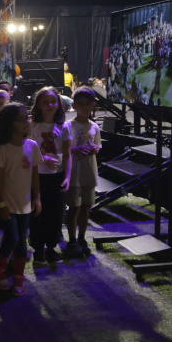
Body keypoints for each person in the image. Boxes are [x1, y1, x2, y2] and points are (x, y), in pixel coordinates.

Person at [0, 103, 41, 295]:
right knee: (13, 238)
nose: (27, 121)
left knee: (21, 243)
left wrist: (37, 198)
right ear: (9, 123)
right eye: (21, 119)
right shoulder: (1, 150)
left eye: (27, 117)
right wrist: (1, 204)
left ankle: (18, 276)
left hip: (25, 204)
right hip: (7, 204)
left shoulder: (32, 146)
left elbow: (34, 176)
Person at [28, 86, 71, 264]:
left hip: (57, 176)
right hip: (37, 176)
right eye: (45, 102)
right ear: (38, 105)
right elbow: (26, 150)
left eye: (53, 102)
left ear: (59, 104)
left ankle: (51, 247)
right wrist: (42, 159)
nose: (49, 105)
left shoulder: (63, 126)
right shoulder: (32, 125)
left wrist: (67, 177)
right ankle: (38, 249)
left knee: (56, 212)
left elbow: (67, 155)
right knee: (37, 213)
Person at [64, 86, 102, 257]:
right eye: (81, 104)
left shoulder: (94, 126)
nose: (85, 107)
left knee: (86, 207)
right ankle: (72, 239)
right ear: (74, 105)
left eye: (88, 103)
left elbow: (98, 144)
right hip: (74, 173)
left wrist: (96, 148)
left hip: (89, 173)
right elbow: (64, 150)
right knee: (74, 207)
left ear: (93, 105)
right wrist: (75, 150)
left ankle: (81, 237)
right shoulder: (68, 126)